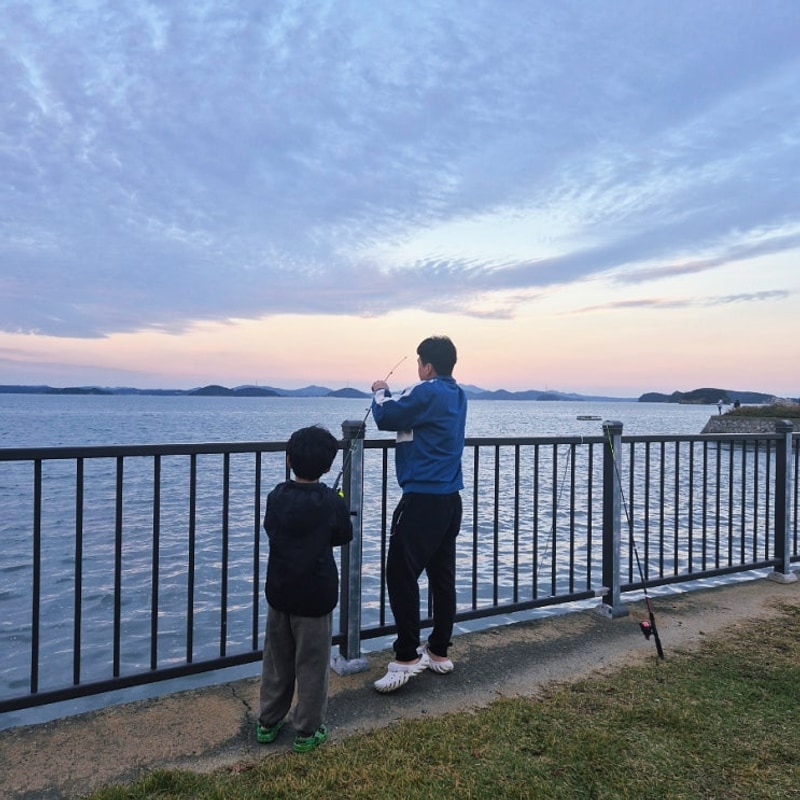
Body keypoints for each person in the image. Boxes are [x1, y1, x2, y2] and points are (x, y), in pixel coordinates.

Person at [370, 335, 467, 693]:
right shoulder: (458, 394)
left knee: (400, 573)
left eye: (418, 363)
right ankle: (438, 650)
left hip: (423, 499)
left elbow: (386, 414)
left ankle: (407, 656)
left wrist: (379, 390)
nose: (417, 369)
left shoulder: (427, 391)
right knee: (442, 576)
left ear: (426, 366)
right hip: (449, 499)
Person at [256, 425, 353, 752]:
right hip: (315, 599)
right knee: (311, 666)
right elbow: (343, 535)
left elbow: (271, 527)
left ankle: (268, 721)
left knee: (276, 662)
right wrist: (338, 504)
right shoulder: (330, 502)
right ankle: (307, 731)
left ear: (289, 460)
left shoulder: (276, 496)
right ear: (328, 467)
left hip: (280, 593)